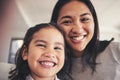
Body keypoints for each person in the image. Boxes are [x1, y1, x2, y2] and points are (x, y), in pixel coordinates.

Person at [50, 0, 120, 80]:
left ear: (94, 22)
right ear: (55, 26)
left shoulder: (116, 50)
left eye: (84, 19)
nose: (78, 30)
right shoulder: (50, 63)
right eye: (67, 22)